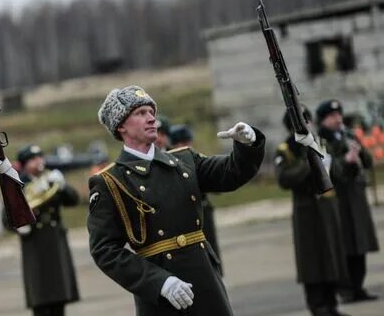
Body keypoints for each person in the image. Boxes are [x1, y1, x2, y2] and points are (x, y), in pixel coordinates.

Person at [88, 85, 265, 316]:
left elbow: (229, 174)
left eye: (151, 112)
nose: (151, 119)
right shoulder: (110, 180)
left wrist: (246, 146)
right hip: (161, 291)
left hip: (204, 279)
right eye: (141, 113)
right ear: (121, 125)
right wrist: (159, 282)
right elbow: (105, 250)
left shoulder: (184, 160)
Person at [275, 106, 349, 316]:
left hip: (328, 207)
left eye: (308, 121)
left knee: (332, 256)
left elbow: (338, 173)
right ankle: (318, 306)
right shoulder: (286, 149)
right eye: (302, 122)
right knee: (312, 260)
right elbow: (284, 179)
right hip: (307, 211)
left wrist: (333, 164)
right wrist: (309, 163)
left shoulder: (320, 143)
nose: (308, 125)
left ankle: (332, 304)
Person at [316, 99, 380, 303]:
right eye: (332, 116)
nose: (337, 119)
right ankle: (346, 289)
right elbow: (328, 171)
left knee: (359, 242)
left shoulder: (348, 135)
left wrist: (358, 150)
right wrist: (346, 160)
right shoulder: (321, 142)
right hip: (338, 200)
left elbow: (368, 162)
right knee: (343, 244)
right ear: (323, 120)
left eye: (338, 115)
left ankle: (358, 286)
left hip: (356, 197)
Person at [14, 144, 80, 316]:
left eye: (40, 157)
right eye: (33, 159)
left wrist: (63, 186)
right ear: (24, 164)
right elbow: (7, 217)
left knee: (59, 294)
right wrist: (21, 226)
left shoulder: (50, 178)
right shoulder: (18, 185)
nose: (38, 162)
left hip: (55, 239)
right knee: (40, 295)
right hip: (34, 242)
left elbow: (72, 201)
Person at [170, 124, 222, 276]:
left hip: (204, 212)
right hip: (187, 220)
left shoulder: (193, 158)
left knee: (212, 256)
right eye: (182, 142)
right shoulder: (174, 162)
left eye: (188, 142)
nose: (187, 145)